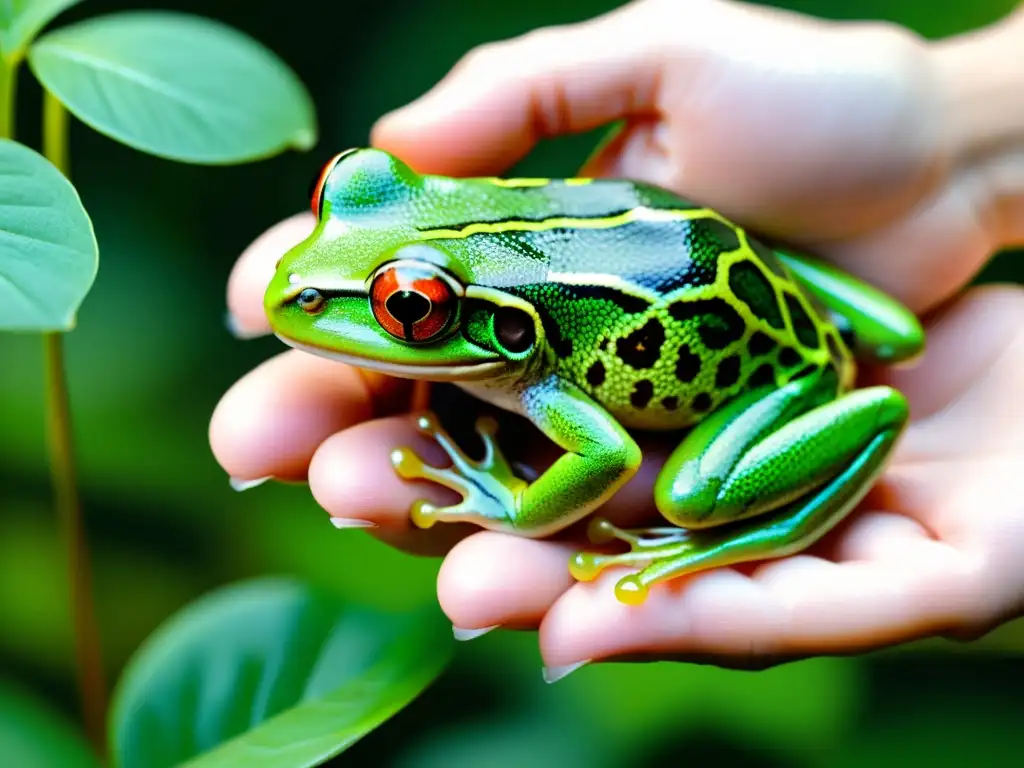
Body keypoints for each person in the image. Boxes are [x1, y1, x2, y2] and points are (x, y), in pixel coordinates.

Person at [210, 0, 1024, 682]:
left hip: (780, 380)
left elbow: (606, 455)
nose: (309, 281)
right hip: (732, 274)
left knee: (688, 496)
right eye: (340, 194)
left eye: (407, 306)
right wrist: (958, 135)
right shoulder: (478, 274)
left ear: (471, 317)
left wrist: (521, 507)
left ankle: (758, 527)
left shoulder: (534, 374)